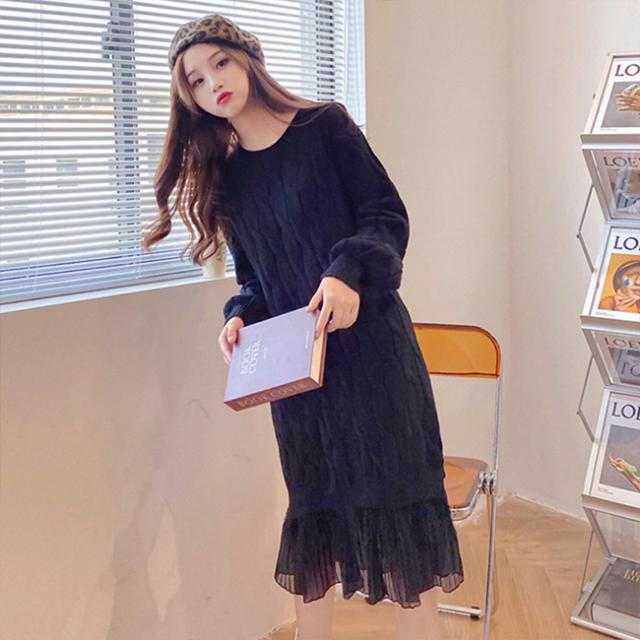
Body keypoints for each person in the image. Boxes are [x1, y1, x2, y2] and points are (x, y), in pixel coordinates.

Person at [143, 13, 464, 640]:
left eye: (219, 63)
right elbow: (256, 277)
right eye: (196, 80)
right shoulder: (228, 177)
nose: (212, 83)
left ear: (248, 59)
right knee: (314, 513)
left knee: (402, 510)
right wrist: (240, 317)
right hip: (301, 378)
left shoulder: (324, 127)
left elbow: (385, 215)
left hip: (373, 357)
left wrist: (347, 272)